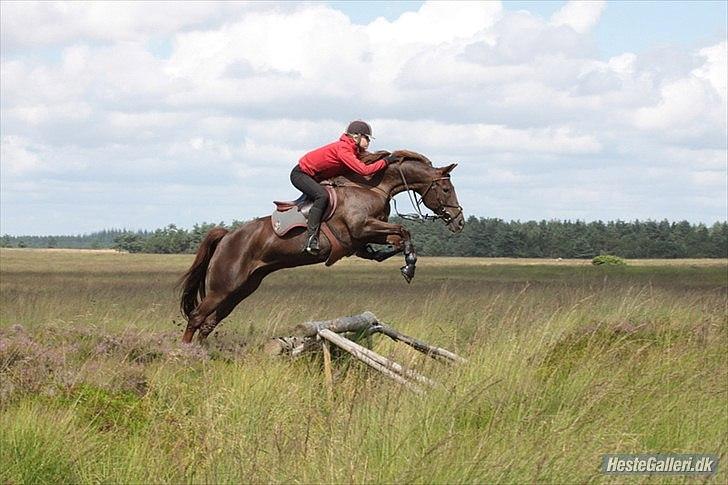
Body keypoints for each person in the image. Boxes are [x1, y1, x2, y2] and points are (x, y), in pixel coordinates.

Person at [290, 120, 396, 254]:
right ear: (356, 136)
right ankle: (311, 238)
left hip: (314, 177)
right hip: (301, 174)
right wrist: (386, 161)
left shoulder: (352, 150)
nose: (368, 142)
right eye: (367, 138)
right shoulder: (343, 149)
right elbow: (364, 170)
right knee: (322, 196)